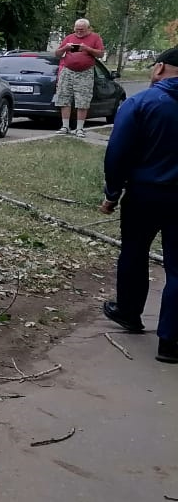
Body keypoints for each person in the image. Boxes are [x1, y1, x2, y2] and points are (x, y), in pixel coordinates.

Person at [99, 47, 178, 363]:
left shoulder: (142, 103)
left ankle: (129, 312)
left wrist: (112, 193)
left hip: (145, 194)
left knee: (134, 251)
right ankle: (170, 343)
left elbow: (117, 153)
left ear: (159, 68)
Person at [52, 18, 105, 136]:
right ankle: (65, 126)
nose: (79, 32)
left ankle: (79, 128)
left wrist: (87, 49)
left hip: (85, 72)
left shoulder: (95, 37)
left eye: (82, 30)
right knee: (64, 97)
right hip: (68, 71)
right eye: (77, 30)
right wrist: (66, 48)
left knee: (83, 100)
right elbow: (57, 54)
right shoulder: (69, 38)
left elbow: (101, 54)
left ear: (88, 29)